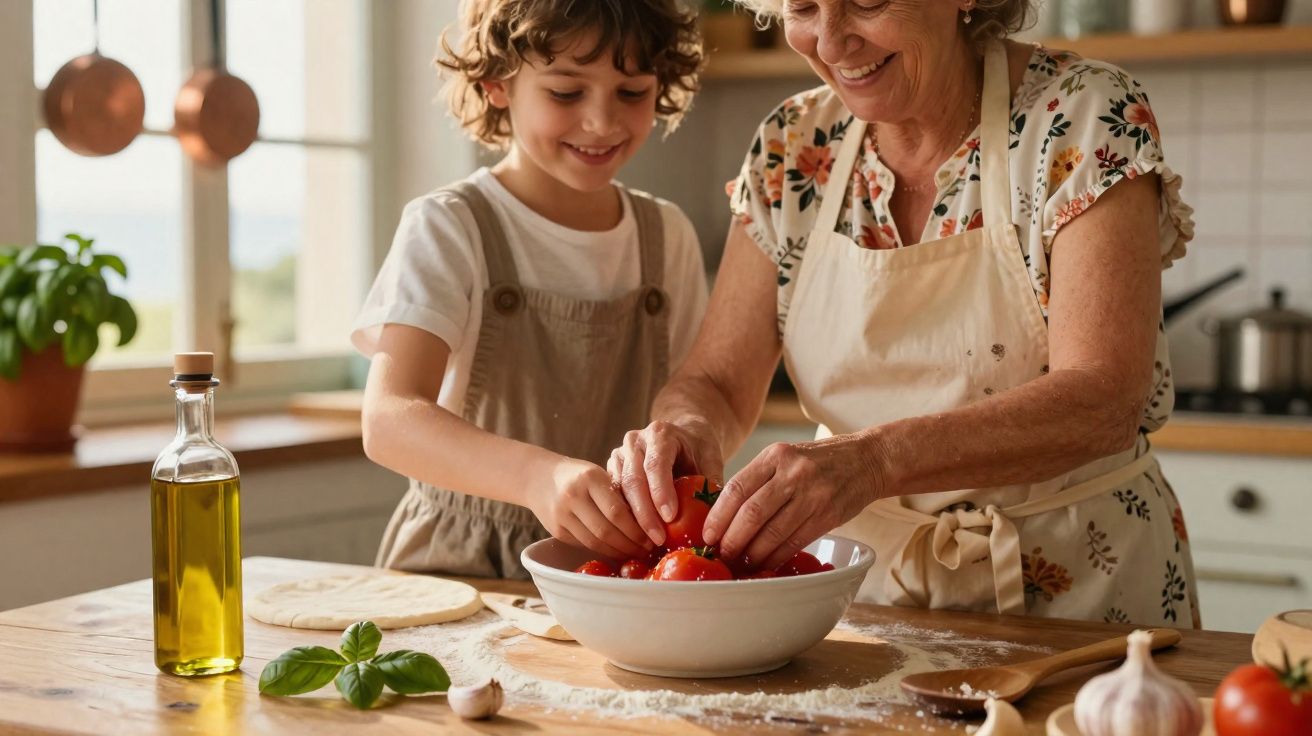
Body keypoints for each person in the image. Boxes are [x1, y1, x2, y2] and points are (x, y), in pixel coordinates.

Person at [611, 0, 1200, 627]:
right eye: (803, 6)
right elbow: (718, 382)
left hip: (1083, 593)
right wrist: (686, 427)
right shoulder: (791, 147)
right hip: (864, 599)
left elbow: (1104, 400)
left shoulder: (1081, 116)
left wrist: (872, 462)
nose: (832, 43)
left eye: (866, 2)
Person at [352, 0, 708, 579]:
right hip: (462, 563)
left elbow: (700, 401)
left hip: (616, 569)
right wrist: (534, 477)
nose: (603, 122)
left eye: (633, 92)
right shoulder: (451, 225)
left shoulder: (667, 236)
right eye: (567, 94)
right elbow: (389, 420)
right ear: (496, 83)